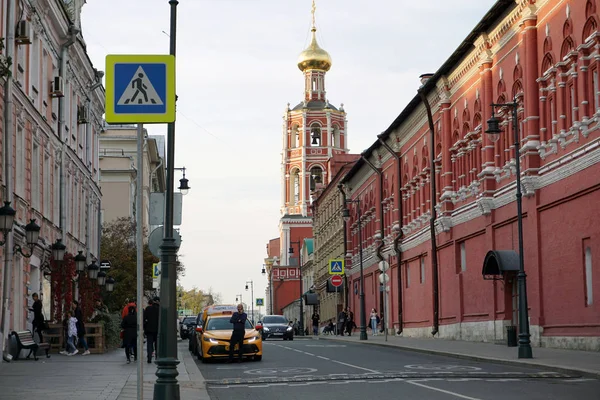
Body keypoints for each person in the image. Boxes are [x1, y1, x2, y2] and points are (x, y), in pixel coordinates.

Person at [29, 293, 50, 358]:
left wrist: (31, 309)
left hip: (39, 319)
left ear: (36, 297)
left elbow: (37, 311)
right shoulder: (36, 302)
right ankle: (36, 339)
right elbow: (35, 310)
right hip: (37, 319)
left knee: (38, 330)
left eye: (34, 297)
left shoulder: (38, 303)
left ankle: (41, 341)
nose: (33, 298)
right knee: (37, 330)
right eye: (33, 297)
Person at [143, 296, 160, 364]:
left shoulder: (148, 308)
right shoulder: (160, 309)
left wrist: (145, 328)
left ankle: (149, 358)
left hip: (149, 330)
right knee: (157, 345)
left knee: (149, 344)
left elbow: (144, 319)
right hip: (158, 330)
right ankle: (157, 357)